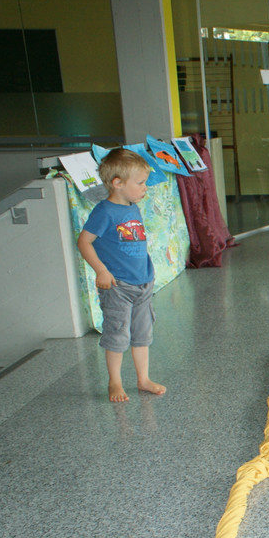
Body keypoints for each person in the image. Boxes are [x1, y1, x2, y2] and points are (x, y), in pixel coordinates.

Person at [76, 148, 166, 403]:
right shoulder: (104, 212)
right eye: (140, 183)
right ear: (117, 184)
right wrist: (101, 271)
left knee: (142, 334)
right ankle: (114, 381)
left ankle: (143, 379)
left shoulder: (132, 207)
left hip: (142, 283)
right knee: (117, 335)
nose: (145, 188)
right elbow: (84, 242)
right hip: (118, 286)